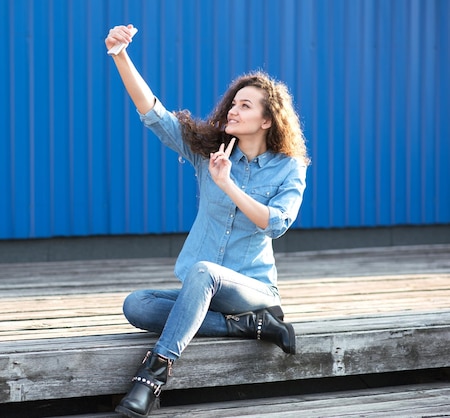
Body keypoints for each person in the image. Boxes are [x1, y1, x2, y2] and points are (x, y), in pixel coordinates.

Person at [105, 24, 310, 418]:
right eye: (233, 103)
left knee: (203, 271)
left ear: (268, 120)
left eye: (246, 106)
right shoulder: (208, 150)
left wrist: (228, 184)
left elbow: (276, 223)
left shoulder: (289, 168)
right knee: (137, 305)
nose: (233, 109)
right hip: (206, 290)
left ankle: (153, 376)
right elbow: (154, 114)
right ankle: (250, 327)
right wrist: (120, 55)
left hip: (252, 288)